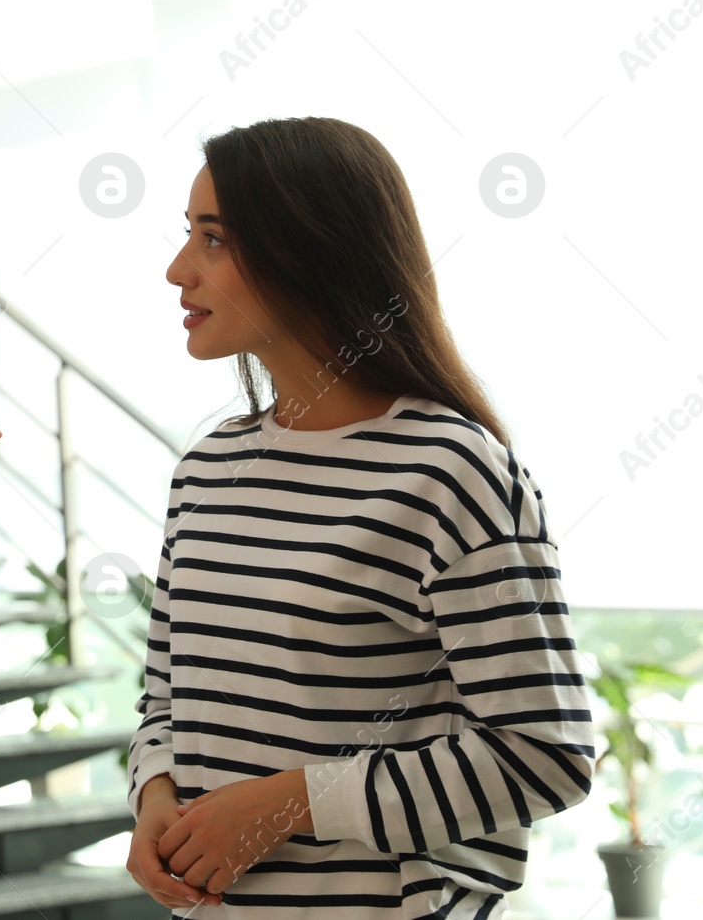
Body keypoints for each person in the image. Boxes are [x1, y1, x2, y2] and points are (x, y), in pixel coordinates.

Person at [123, 117, 594, 917]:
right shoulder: (205, 468)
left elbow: (545, 754)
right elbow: (165, 697)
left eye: (213, 239)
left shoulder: (450, 472)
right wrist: (153, 789)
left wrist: (294, 802)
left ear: (307, 251)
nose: (177, 270)